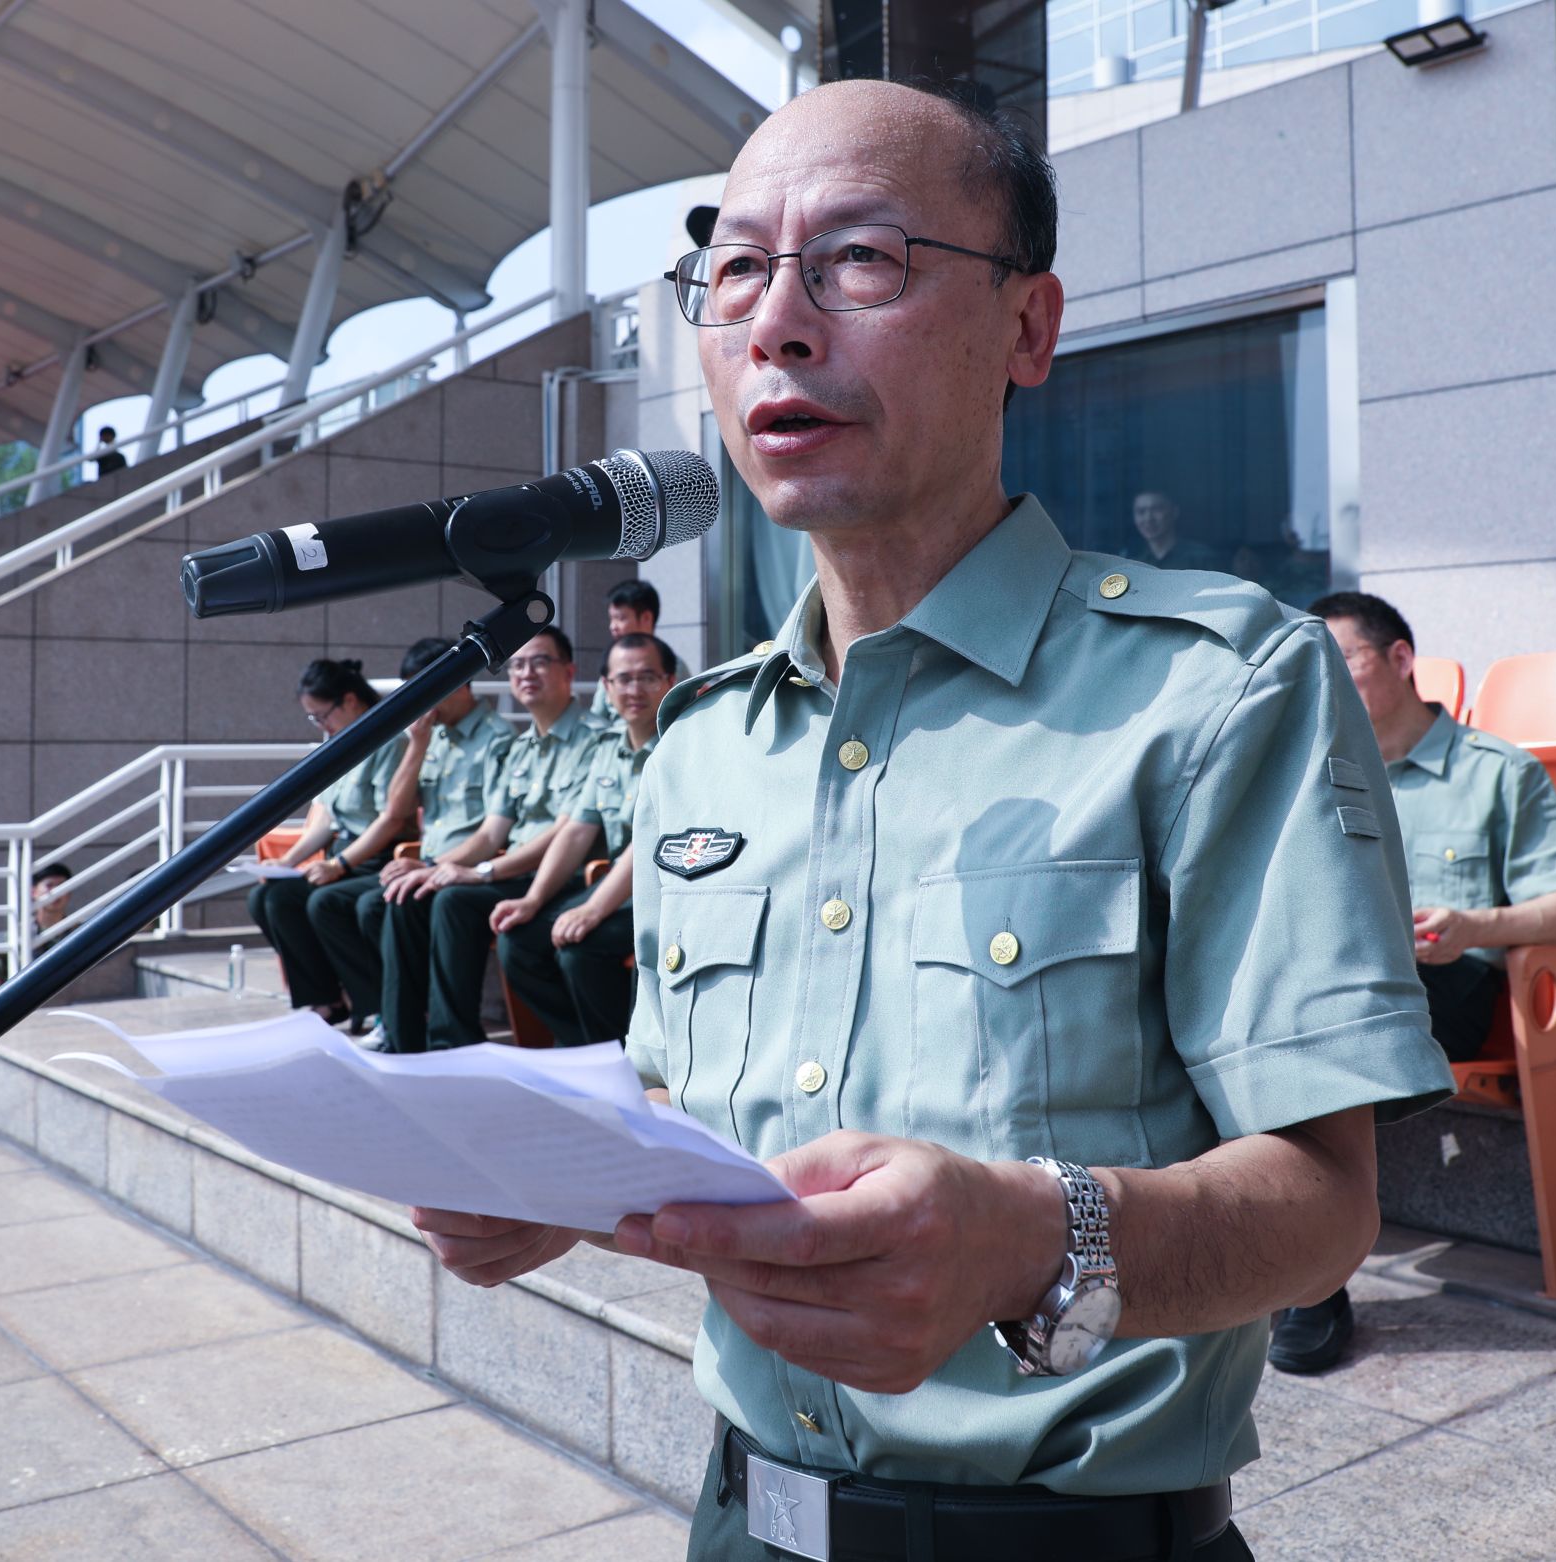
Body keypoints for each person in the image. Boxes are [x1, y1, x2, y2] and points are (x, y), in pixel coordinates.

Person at [412, 79, 1453, 1562]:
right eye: (734, 269)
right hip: (742, 1522)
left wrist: (1033, 1237)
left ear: (1028, 327)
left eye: (859, 259)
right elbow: (686, 1102)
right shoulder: (705, 742)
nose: (776, 323)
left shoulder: (1216, 687)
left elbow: (1323, 1205)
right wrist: (555, 1176)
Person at [1265, 592, 1556, 1375]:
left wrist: (1471, 926)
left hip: (1450, 993)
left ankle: (1315, 1285)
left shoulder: (1495, 772)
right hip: (1332, 987)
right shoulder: (1310, 779)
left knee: (1315, 1038)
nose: (1326, 681)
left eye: (1342, 660)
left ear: (1400, 659)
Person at [380, 626, 604, 1051]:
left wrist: (480, 873)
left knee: (453, 901)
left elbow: (564, 832)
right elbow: (490, 833)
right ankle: (402, 1041)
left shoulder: (595, 740)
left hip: (565, 877)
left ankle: (453, 1042)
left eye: (540, 662)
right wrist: (434, 868)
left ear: (569, 671)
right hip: (515, 872)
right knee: (411, 894)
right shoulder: (522, 748)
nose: (526, 673)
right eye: (517, 665)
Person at [308, 637, 515, 1052]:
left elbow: (491, 834)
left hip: (467, 866)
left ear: (459, 682)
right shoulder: (432, 738)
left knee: (392, 902)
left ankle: (415, 1032)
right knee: (361, 903)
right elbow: (397, 809)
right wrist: (417, 745)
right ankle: (396, 1024)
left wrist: (432, 867)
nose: (420, 702)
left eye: (425, 689)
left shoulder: (497, 738)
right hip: (429, 863)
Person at [490, 633, 678, 1044]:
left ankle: (622, 1056)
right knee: (519, 942)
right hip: (616, 887)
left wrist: (592, 909)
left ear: (670, 681)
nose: (634, 689)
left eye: (647, 677)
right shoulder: (608, 748)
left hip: (666, 891)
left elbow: (647, 845)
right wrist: (533, 900)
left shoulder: (680, 746)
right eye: (623, 679)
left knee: (581, 950)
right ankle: (583, 1048)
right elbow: (577, 830)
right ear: (606, 687)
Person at [247, 658, 426, 1028]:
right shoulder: (341, 742)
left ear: (350, 700)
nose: (321, 724)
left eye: (321, 715)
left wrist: (338, 865)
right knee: (268, 898)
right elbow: (327, 819)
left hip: (376, 854)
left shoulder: (389, 742)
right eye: (313, 718)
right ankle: (326, 997)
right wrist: (288, 862)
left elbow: (389, 820)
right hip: (342, 854)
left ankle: (373, 1004)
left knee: (321, 903)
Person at [0, 862, 72, 994]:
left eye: (61, 885)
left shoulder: (79, 931)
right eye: (49, 885)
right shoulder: (19, 934)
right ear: (33, 891)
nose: (55, 891)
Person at [588, 579, 662, 724]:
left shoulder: (671, 665)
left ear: (646, 618)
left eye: (620, 618)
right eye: (611, 619)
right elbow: (597, 718)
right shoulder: (611, 666)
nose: (613, 627)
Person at [1123, 489, 1227, 573]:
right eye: (1141, 511)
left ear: (1174, 512)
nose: (1148, 518)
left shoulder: (1202, 558)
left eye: (1157, 509)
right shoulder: (1134, 564)